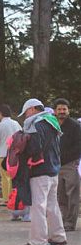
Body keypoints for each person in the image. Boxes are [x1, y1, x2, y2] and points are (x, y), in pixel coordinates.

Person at [17, 98, 67, 245]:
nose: (25, 116)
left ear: (32, 109)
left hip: (39, 171)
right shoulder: (52, 123)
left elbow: (35, 147)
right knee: (52, 205)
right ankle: (59, 236)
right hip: (53, 169)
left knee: (38, 206)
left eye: (26, 112)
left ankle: (37, 242)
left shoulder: (36, 125)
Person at [53, 98, 81, 232]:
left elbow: (78, 146)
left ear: (68, 111)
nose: (62, 111)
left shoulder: (75, 126)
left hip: (70, 164)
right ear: (55, 111)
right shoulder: (52, 125)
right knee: (60, 195)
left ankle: (70, 223)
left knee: (72, 195)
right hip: (55, 165)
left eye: (64, 109)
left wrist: (68, 159)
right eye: (59, 109)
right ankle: (62, 221)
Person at [0, 104, 22, 208]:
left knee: (5, 177)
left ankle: (6, 199)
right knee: (14, 177)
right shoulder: (16, 124)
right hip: (15, 154)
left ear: (0, 114)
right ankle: (14, 198)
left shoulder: (0, 125)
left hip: (2, 154)